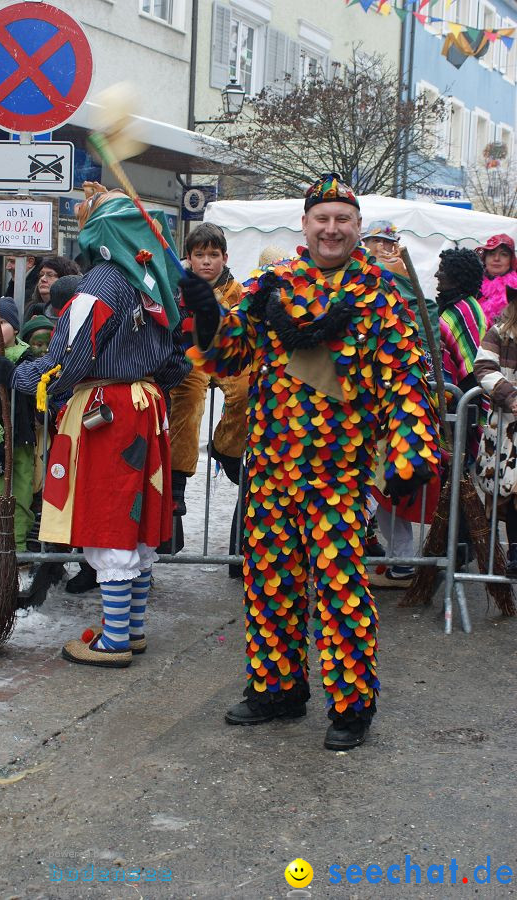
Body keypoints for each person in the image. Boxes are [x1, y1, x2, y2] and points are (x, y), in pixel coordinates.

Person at [180, 173, 440, 750]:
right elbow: (227, 356)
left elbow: (406, 382)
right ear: (304, 224)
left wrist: (411, 448)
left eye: (342, 219)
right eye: (321, 218)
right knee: (270, 585)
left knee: (342, 589)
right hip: (270, 472)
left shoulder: (381, 295)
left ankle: (351, 709)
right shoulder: (268, 285)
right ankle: (277, 692)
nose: (331, 228)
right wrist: (204, 312)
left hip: (340, 475)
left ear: (357, 227)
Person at [0, 190, 191, 667]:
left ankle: (115, 640)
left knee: (110, 518)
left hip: (108, 414)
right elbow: (177, 363)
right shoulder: (154, 282)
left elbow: (68, 360)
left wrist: (19, 375)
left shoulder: (99, 285)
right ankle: (131, 629)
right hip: (145, 406)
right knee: (135, 520)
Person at [361, 220, 442, 589]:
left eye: (385, 244)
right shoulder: (363, 285)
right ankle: (397, 561)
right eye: (374, 244)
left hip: (397, 414)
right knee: (378, 489)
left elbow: (425, 354)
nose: (380, 250)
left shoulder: (412, 296)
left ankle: (403, 563)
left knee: (391, 488)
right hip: (368, 411)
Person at [169, 223, 248, 514]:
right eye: (199, 254)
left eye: (213, 254)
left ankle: (226, 448)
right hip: (190, 355)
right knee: (188, 395)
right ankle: (178, 481)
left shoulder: (237, 290)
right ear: (189, 257)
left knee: (246, 389)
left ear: (224, 258)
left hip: (226, 355)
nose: (206, 260)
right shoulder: (177, 287)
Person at [0, 297, 36, 552]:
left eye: (1, 323)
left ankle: (18, 548)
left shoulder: (28, 358)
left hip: (22, 439)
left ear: (15, 327)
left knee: (22, 494)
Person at [474, 285, 517, 575]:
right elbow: (484, 367)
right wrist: (512, 396)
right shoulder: (500, 332)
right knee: (512, 489)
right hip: (507, 430)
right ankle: (515, 553)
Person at [437, 248, 486, 395]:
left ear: (456, 275)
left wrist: (461, 408)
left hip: (466, 400)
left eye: (441, 270)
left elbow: (472, 369)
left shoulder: (465, 310)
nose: (436, 275)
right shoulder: (453, 306)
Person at [476, 234, 517, 328]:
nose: (496, 258)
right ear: (484, 258)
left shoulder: (515, 289)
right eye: (492, 253)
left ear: (511, 260)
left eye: (504, 254)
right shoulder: (471, 284)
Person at [24, 256, 81, 322]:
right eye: (41, 275)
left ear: (65, 279)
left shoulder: (74, 311)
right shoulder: (30, 307)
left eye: (50, 275)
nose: (42, 279)